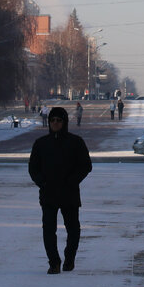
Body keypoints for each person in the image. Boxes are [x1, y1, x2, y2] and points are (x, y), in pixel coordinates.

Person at [28, 106, 92, 274]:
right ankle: (54, 262)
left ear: (64, 122)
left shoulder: (76, 142)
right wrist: (42, 182)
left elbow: (85, 166)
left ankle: (69, 258)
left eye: (59, 120)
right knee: (48, 230)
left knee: (73, 229)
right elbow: (33, 168)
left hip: (69, 193)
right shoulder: (41, 144)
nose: (55, 123)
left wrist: (72, 181)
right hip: (48, 193)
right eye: (53, 120)